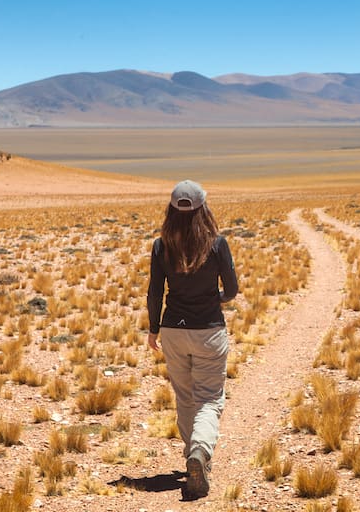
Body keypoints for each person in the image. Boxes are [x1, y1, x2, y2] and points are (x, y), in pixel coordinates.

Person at [146, 180, 238, 501]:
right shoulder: (217, 244)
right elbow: (233, 287)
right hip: (209, 331)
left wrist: (153, 329)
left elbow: (155, 292)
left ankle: (192, 457)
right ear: (203, 209)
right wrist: (218, 298)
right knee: (209, 399)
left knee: (185, 397)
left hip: (172, 331)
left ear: (172, 210)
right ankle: (199, 452)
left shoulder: (161, 246)